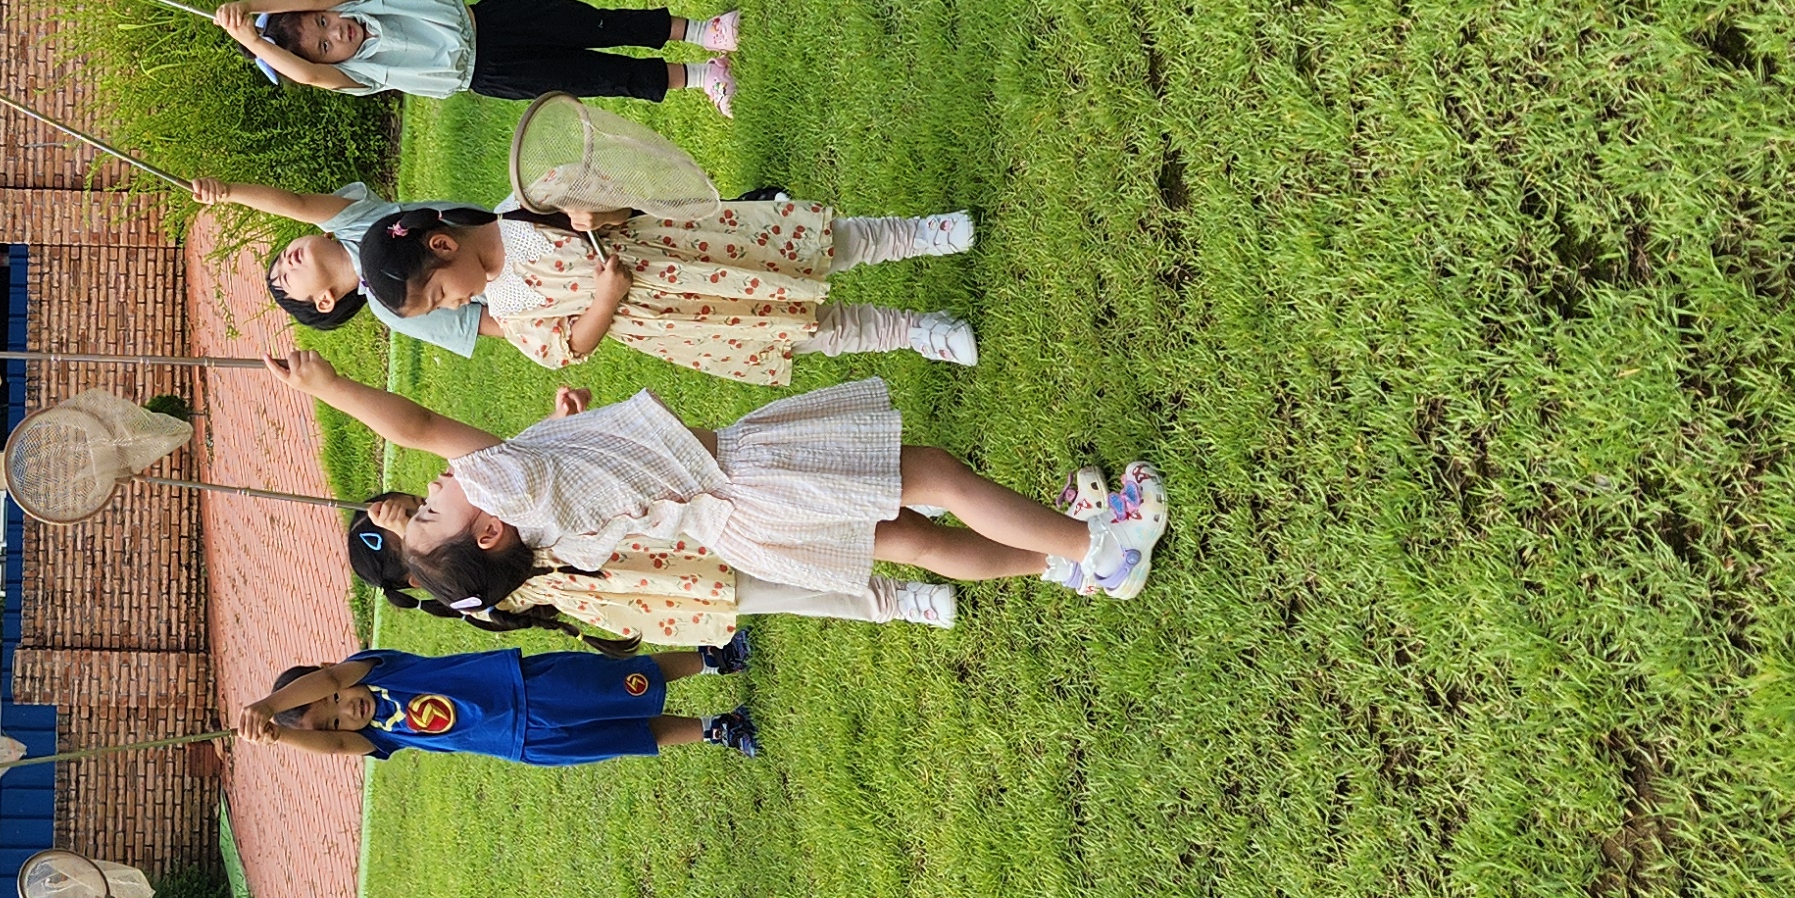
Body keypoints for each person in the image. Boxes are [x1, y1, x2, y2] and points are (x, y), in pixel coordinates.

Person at [269, 348, 1168, 631]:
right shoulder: (504, 485)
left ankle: (1059, 562)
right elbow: (423, 426)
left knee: (916, 538)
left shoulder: (541, 528)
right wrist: (331, 388)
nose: (433, 487)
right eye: (433, 510)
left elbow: (575, 473)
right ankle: (1103, 548)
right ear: (489, 530)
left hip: (741, 521)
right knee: (932, 476)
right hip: (753, 480)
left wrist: (560, 427)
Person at [356, 197, 979, 380]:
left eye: (439, 296)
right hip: (680, 315)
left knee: (814, 244)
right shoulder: (509, 309)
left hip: (696, 246)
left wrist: (600, 213)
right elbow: (570, 347)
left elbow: (626, 200)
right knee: (804, 329)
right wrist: (605, 300)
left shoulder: (526, 206)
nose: (456, 306)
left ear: (443, 247)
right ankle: (916, 332)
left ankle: (920, 233)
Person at [216, 0, 744, 114]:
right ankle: (703, 77)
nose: (336, 32)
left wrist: (251, 8)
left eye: (324, 23)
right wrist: (252, 42)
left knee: (598, 24)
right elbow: (308, 76)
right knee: (597, 78)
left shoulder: (361, 1)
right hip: (492, 73)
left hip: (496, 19)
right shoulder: (361, 76)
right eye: (324, 45)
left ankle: (703, 31)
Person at [243, 643, 762, 766]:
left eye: (333, 700)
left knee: (626, 681)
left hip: (526, 686)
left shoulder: (371, 670)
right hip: (523, 742)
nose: (346, 710)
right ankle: (717, 728)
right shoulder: (376, 738)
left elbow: (334, 677)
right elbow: (336, 746)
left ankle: (711, 658)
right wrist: (281, 734)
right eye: (334, 721)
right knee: (627, 734)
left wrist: (268, 706)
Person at [195, 176, 489, 355]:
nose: (286, 262)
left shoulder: (353, 222)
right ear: (324, 301)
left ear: (323, 233)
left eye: (282, 255)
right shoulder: (390, 308)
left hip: (494, 231)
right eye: (286, 278)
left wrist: (227, 192)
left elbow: (297, 204)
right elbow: (476, 323)